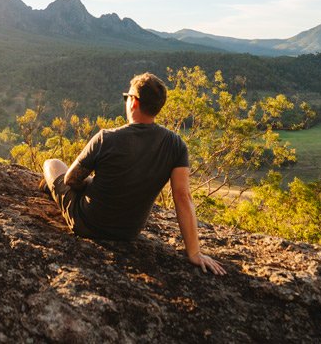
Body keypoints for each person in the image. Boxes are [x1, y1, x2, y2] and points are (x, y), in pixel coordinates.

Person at [42, 73, 226, 275]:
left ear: (134, 102)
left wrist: (88, 184)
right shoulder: (176, 145)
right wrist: (194, 252)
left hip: (88, 224)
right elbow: (183, 197)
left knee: (52, 163)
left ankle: (50, 188)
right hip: (128, 232)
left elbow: (71, 180)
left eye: (126, 97)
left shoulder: (106, 138)